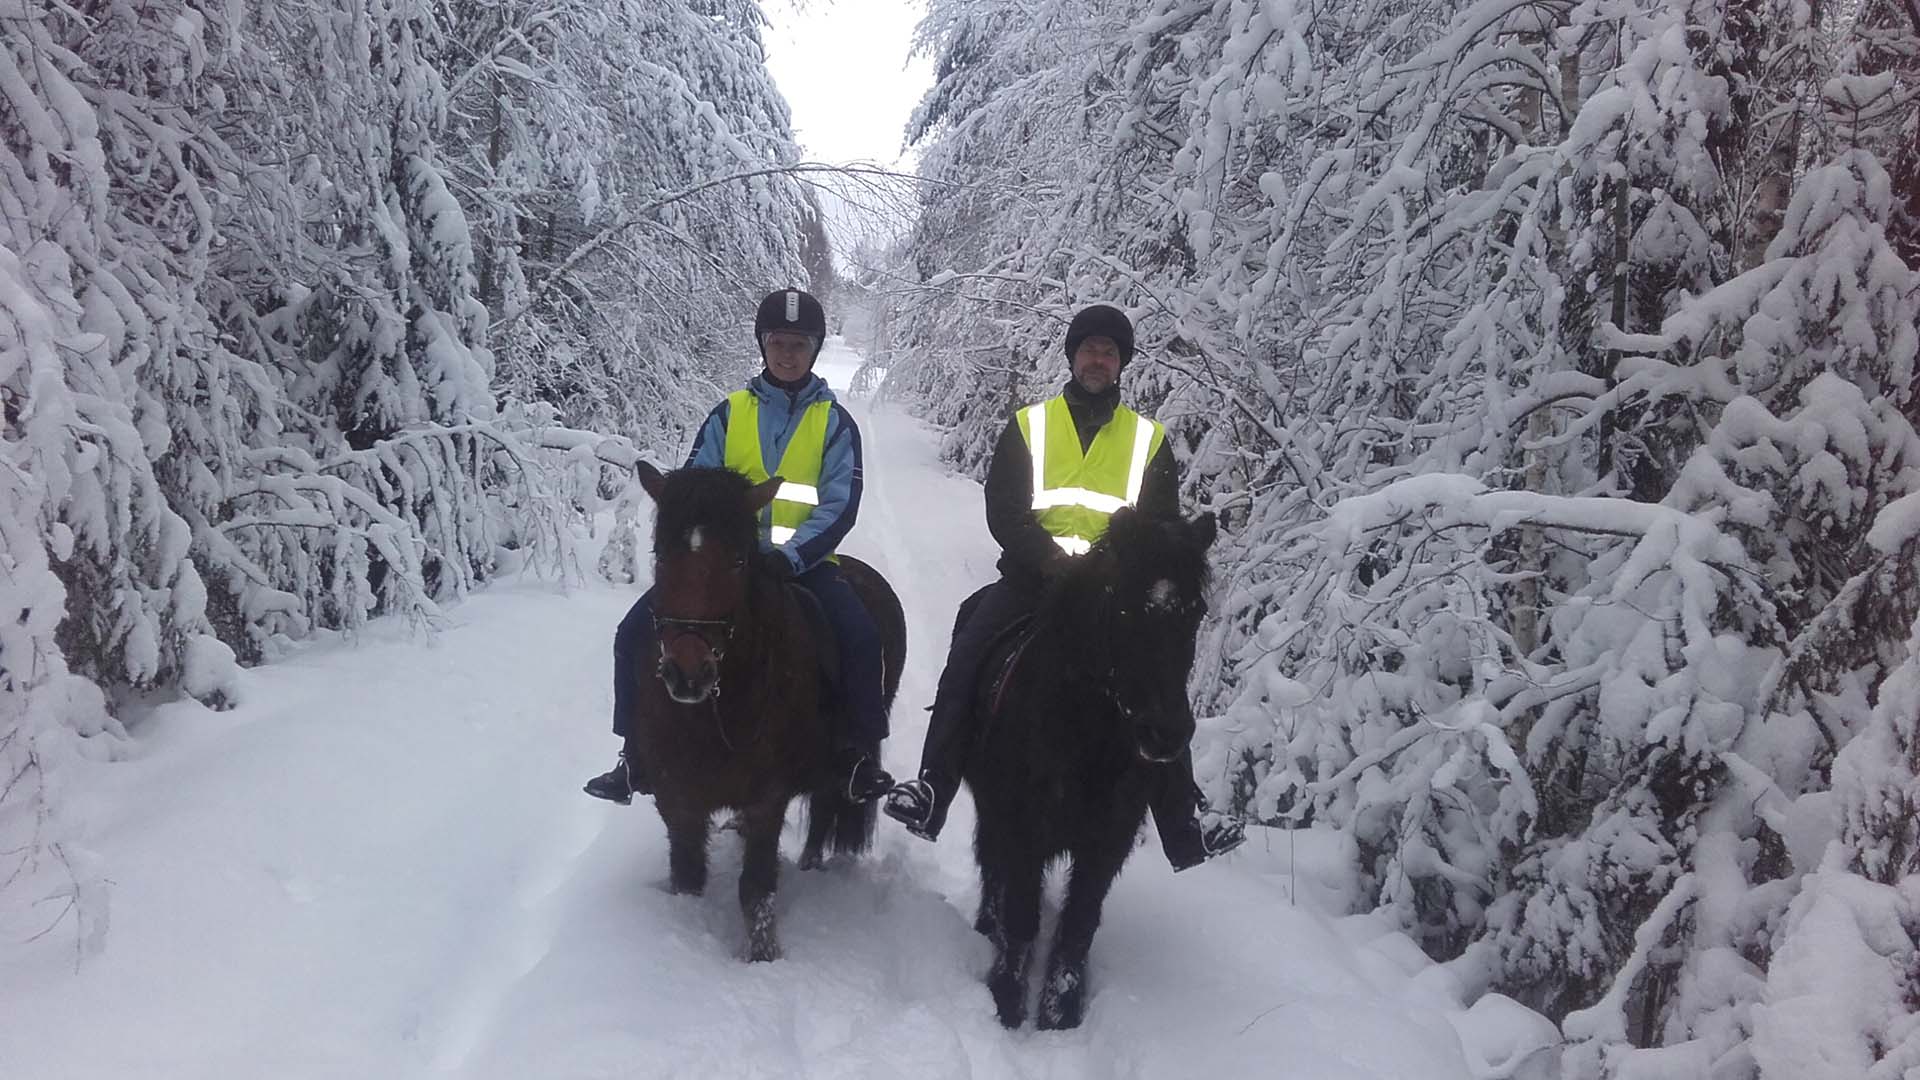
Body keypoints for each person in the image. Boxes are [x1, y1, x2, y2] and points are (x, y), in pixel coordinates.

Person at [881, 303, 1245, 871]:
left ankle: (1183, 820)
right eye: (1089, 349)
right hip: (1033, 582)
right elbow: (1004, 507)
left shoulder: (1148, 440)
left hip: (1114, 595)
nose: (1097, 360)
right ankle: (932, 790)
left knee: (1156, 681)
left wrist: (1112, 571)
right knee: (968, 657)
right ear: (1072, 356)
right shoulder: (1030, 425)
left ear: (1121, 363)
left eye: (1109, 351)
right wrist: (1050, 560)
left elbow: (1160, 524)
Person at [584, 288, 894, 805]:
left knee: (860, 637)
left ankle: (858, 755)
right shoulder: (729, 414)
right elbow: (691, 493)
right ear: (763, 345)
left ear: (814, 350)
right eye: (778, 343)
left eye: (798, 344)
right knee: (633, 632)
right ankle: (633, 754)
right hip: (724, 570)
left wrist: (791, 556)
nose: (787, 354)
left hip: (803, 566)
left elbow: (839, 504)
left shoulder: (835, 424)